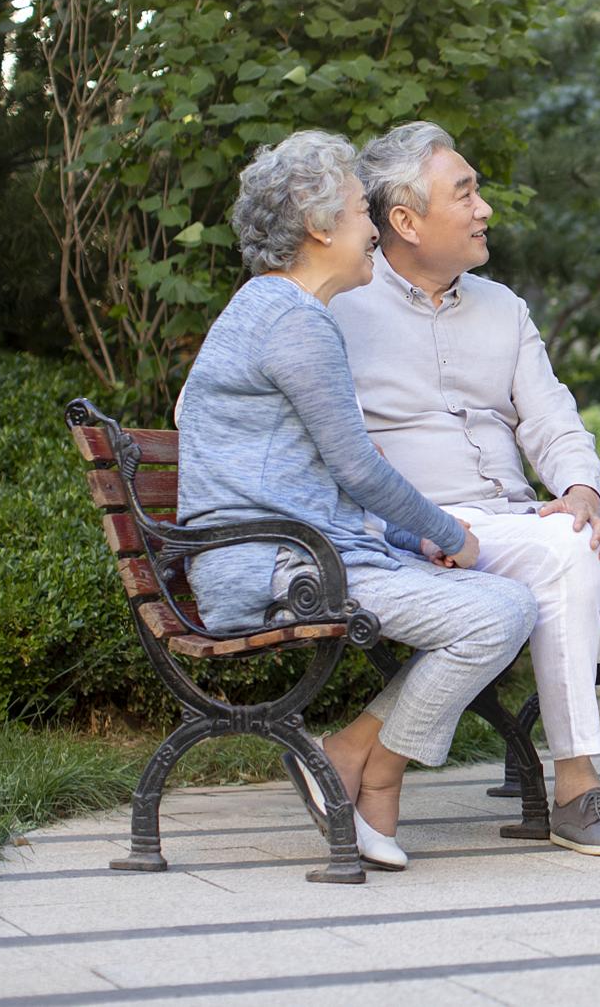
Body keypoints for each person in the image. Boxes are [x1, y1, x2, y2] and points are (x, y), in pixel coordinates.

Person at [333, 121, 600, 862]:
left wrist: (581, 489)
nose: (483, 208)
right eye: (463, 192)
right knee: (566, 547)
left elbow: (553, 418)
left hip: (513, 521)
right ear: (405, 220)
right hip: (427, 536)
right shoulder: (340, 306)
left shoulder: (503, 308)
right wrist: (401, 522)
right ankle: (575, 786)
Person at [177, 129, 538, 873]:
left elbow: (320, 482)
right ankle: (364, 762)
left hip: (298, 550)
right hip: (275, 566)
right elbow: (358, 469)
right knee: (500, 609)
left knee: (495, 606)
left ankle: (355, 759)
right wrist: (453, 534)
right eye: (356, 210)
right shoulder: (294, 322)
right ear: (318, 228)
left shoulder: (276, 310)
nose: (373, 226)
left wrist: (412, 543)